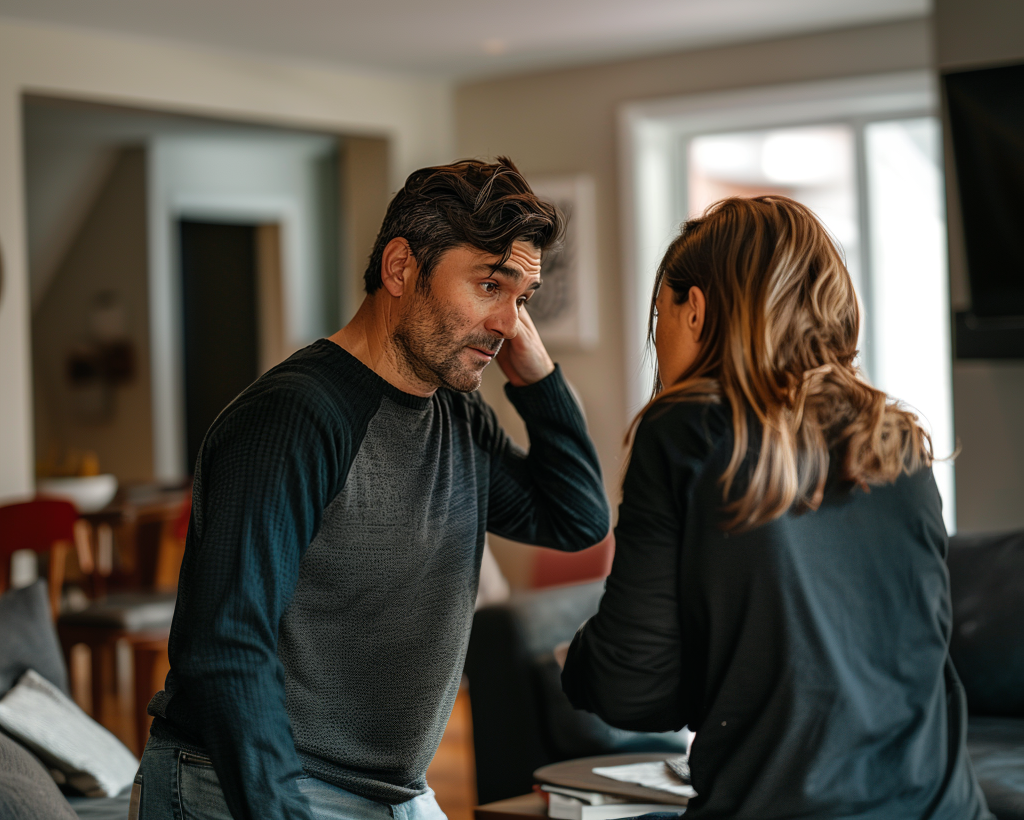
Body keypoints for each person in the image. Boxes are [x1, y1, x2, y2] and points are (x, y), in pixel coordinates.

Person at [134, 158, 610, 820]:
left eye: (522, 298)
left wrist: (539, 377)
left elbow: (576, 519)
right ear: (399, 269)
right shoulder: (292, 418)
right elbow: (229, 649)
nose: (508, 323)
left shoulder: (456, 413)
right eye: (488, 285)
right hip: (256, 784)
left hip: (391, 794)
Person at [560, 196, 991, 820]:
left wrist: (581, 662)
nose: (658, 337)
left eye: (661, 314)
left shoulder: (685, 430)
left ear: (696, 310)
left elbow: (633, 688)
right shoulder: (895, 439)